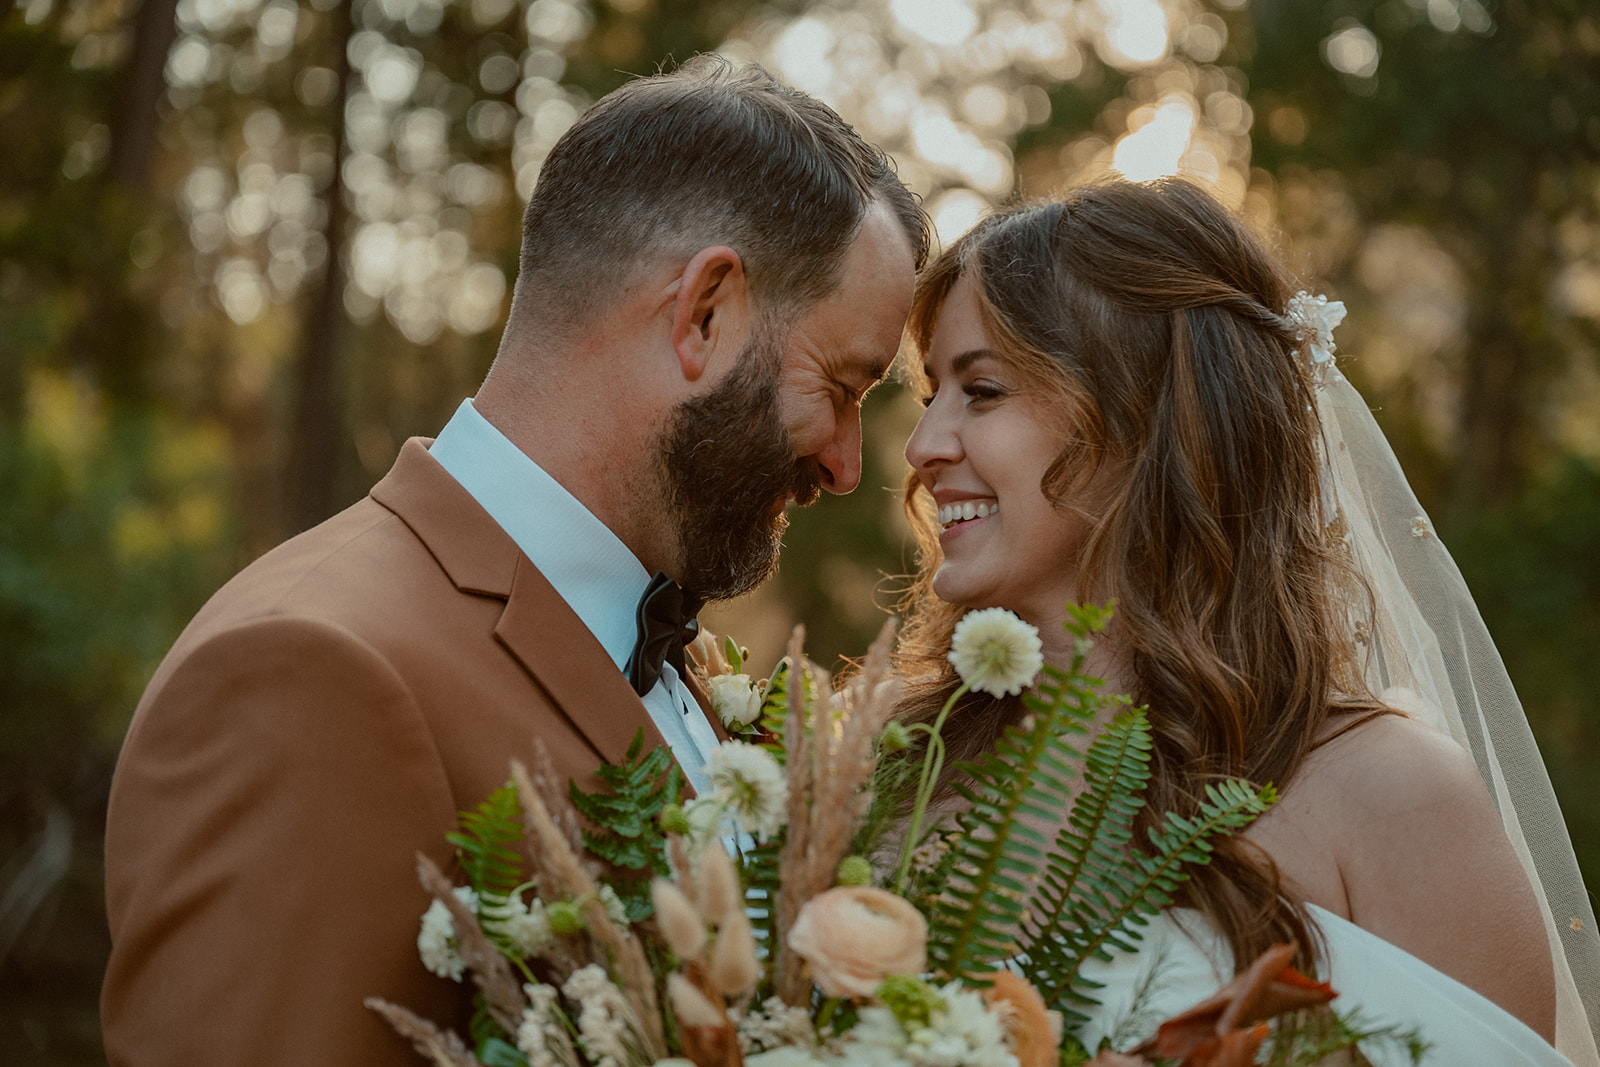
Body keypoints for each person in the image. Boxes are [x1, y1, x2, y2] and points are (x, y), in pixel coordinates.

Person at [101, 56, 926, 1067]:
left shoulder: (666, 645)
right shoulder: (309, 670)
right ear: (706, 312)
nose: (846, 463)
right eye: (843, 385)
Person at [894, 178, 1599, 1065]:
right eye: (930, 397)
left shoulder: (1396, 801)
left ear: (1148, 422)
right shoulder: (898, 770)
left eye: (983, 390)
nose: (923, 448)